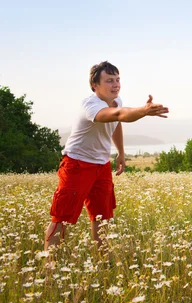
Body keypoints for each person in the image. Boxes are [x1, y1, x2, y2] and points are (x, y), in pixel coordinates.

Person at [44, 61, 169, 252]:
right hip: (77, 164)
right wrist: (143, 111)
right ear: (95, 85)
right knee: (61, 217)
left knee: (102, 217)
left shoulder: (116, 101)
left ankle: (103, 262)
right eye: (110, 80)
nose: (116, 84)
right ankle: (49, 266)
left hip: (101, 166)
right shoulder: (91, 105)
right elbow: (118, 115)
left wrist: (120, 152)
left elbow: (117, 122)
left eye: (117, 80)